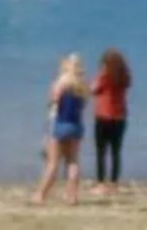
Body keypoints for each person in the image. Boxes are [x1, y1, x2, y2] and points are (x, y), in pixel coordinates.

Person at [35, 53, 87, 205]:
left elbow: (53, 102)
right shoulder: (82, 85)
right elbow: (82, 106)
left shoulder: (61, 82)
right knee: (73, 161)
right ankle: (72, 196)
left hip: (60, 123)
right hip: (76, 125)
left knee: (53, 162)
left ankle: (41, 195)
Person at [91, 46, 132, 190]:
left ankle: (101, 181)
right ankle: (114, 181)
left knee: (101, 151)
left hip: (103, 115)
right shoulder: (124, 77)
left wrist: (99, 74)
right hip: (120, 116)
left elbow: (93, 89)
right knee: (116, 151)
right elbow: (127, 85)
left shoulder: (104, 76)